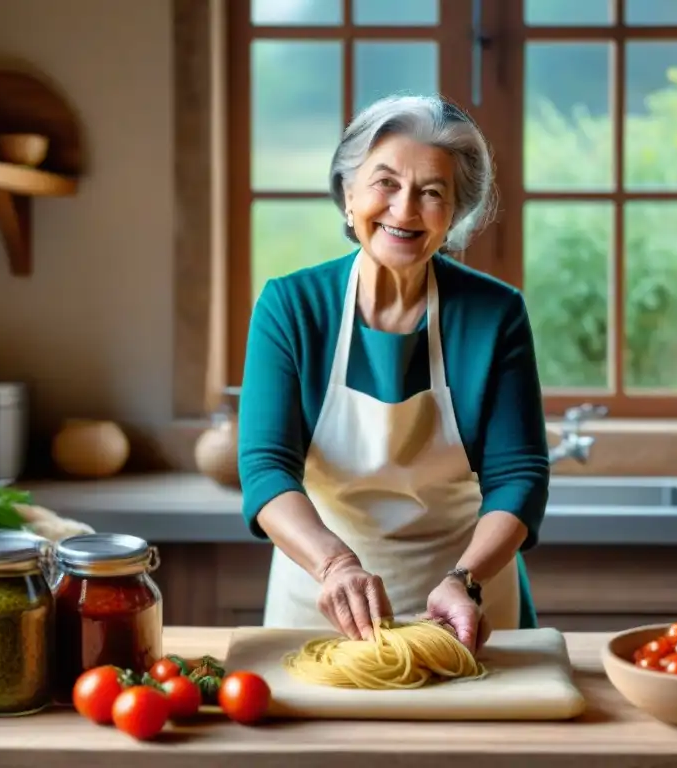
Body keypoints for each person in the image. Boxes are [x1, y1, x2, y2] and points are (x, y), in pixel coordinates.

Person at [237, 94, 549, 653]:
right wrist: (333, 564)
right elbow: (265, 468)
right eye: (385, 182)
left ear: (454, 215)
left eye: (432, 192)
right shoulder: (290, 306)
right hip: (322, 596)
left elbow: (519, 474)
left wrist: (466, 579)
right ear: (348, 193)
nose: (404, 210)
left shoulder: (495, 314)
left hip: (464, 601)